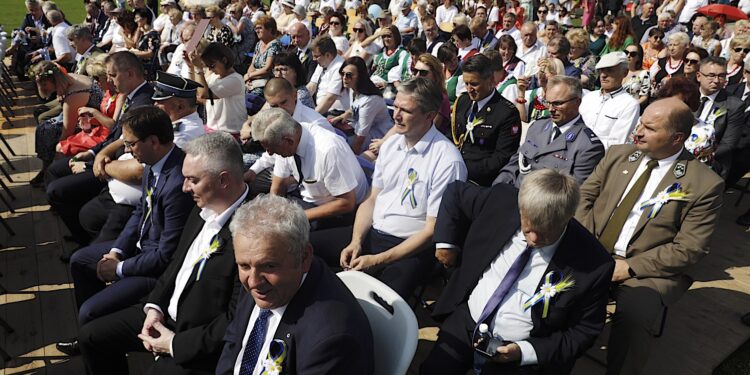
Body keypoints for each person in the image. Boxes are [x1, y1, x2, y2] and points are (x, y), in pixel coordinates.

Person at [78, 132, 248, 375]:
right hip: (165, 314)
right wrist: (154, 307)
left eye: (192, 179)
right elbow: (175, 266)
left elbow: (235, 320)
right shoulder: (203, 208)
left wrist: (173, 344)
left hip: (194, 342)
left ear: (224, 181)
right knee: (91, 336)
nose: (184, 186)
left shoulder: (250, 233)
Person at [576, 97, 724, 374]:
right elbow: (585, 197)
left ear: (677, 138)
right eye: (640, 123)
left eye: (650, 128)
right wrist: (584, 242)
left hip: (647, 270)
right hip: (592, 247)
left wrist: (630, 268)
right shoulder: (618, 155)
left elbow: (690, 248)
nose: (638, 131)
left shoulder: (704, 184)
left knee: (635, 316)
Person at [420, 169, 614, 374]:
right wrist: (446, 244)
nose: (534, 239)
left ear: (567, 218)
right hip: (467, 321)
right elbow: (455, 192)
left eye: (546, 233)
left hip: (520, 354)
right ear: (521, 209)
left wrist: (524, 352)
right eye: (527, 229)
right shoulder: (502, 200)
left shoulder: (594, 264)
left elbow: (583, 332)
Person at [310, 78, 466, 299]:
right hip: (373, 233)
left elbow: (431, 230)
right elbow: (372, 200)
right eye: (396, 107)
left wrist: (377, 260)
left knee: (376, 302)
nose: (397, 116)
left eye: (406, 111)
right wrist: (356, 241)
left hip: (410, 247)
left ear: (429, 116)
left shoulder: (447, 160)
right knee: (302, 248)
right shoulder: (391, 144)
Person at [58, 106, 194, 356]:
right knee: (80, 260)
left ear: (153, 141)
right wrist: (116, 251)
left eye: (131, 144)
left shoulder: (177, 181)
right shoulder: (153, 163)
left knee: (91, 311)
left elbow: (166, 256)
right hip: (139, 250)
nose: (128, 150)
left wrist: (119, 269)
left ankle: (96, 337)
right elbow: (139, 213)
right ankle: (91, 335)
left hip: (156, 269)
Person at [215, 194, 374, 374]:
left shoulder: (331, 340)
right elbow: (233, 344)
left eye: (269, 266)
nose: (253, 282)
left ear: (304, 257)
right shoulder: (260, 278)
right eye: (243, 265)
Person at [46, 51, 155, 258]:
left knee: (56, 191)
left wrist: (91, 164)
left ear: (130, 74)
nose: (110, 81)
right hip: (104, 156)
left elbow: (126, 146)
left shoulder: (143, 102)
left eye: (113, 75)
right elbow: (116, 136)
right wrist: (90, 152)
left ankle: (84, 241)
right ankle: (81, 233)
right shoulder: (133, 97)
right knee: (54, 171)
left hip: (114, 167)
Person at [78, 71, 205, 245]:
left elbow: (141, 171)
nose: (154, 104)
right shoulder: (168, 119)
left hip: (135, 206)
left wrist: (105, 166)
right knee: (85, 215)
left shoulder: (185, 133)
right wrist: (101, 154)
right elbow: (125, 138)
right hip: (117, 188)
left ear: (180, 106)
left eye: (160, 102)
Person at [252, 108, 369, 228]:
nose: (270, 153)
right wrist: (274, 213)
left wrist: (295, 217)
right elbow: (279, 184)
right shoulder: (290, 136)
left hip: (339, 213)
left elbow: (347, 203)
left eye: (270, 148)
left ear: (288, 141)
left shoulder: (328, 151)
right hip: (310, 200)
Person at [494, 76, 604, 187]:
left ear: (577, 102)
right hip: (513, 194)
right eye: (548, 102)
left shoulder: (588, 146)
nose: (550, 109)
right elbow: (514, 165)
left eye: (558, 103)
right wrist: (497, 188)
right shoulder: (537, 127)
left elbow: (576, 193)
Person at [451, 54, 522, 186]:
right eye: (466, 83)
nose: (469, 89)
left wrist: (463, 169)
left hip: (480, 181)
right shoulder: (463, 101)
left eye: (474, 84)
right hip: (454, 171)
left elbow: (502, 158)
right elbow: (452, 137)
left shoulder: (507, 113)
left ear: (490, 80)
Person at [30, 61, 104, 186]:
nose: (42, 88)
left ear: (55, 80)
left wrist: (58, 149)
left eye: (44, 84)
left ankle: (51, 170)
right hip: (84, 114)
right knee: (44, 127)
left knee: (48, 131)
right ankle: (45, 168)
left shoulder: (74, 95)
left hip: (92, 122)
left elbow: (67, 130)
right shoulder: (68, 79)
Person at [695, 56, 746, 180]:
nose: (717, 80)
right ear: (699, 76)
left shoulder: (734, 105)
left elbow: (728, 143)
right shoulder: (686, 95)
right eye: (711, 75)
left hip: (710, 162)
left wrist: (699, 155)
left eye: (721, 76)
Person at [331, 57, 393, 154]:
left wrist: (352, 158)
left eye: (349, 75)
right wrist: (342, 116)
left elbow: (360, 137)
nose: (344, 78)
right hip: (361, 131)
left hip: (376, 138)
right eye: (342, 74)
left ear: (360, 76)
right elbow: (354, 108)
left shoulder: (369, 100)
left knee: (337, 147)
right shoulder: (355, 90)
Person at [580, 52, 640, 149]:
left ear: (624, 73)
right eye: (601, 70)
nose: (603, 75)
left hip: (600, 158)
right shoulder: (588, 97)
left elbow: (616, 143)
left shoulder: (629, 104)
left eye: (610, 70)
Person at [186, 42, 247, 137]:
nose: (210, 70)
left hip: (229, 133)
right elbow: (196, 91)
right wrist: (191, 67)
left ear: (224, 60)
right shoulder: (214, 76)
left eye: (212, 65)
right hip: (212, 129)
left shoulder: (235, 80)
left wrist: (198, 68)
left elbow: (203, 94)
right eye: (208, 66)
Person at [308, 36, 349, 116]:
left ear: (328, 55)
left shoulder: (340, 68)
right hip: (321, 109)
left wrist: (312, 117)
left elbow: (330, 99)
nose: (313, 59)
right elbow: (311, 86)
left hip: (335, 113)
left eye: (316, 56)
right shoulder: (322, 62)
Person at [244, 15, 282, 96]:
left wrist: (249, 76)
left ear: (270, 29)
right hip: (255, 80)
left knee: (251, 97)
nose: (257, 31)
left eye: (260, 28)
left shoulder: (275, 45)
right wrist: (248, 79)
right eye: (256, 28)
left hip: (268, 82)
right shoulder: (259, 44)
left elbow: (267, 70)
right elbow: (252, 65)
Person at [128, 8, 160, 80]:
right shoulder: (143, 34)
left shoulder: (152, 35)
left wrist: (134, 53)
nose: (135, 21)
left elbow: (150, 53)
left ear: (145, 19)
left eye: (137, 18)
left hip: (148, 67)